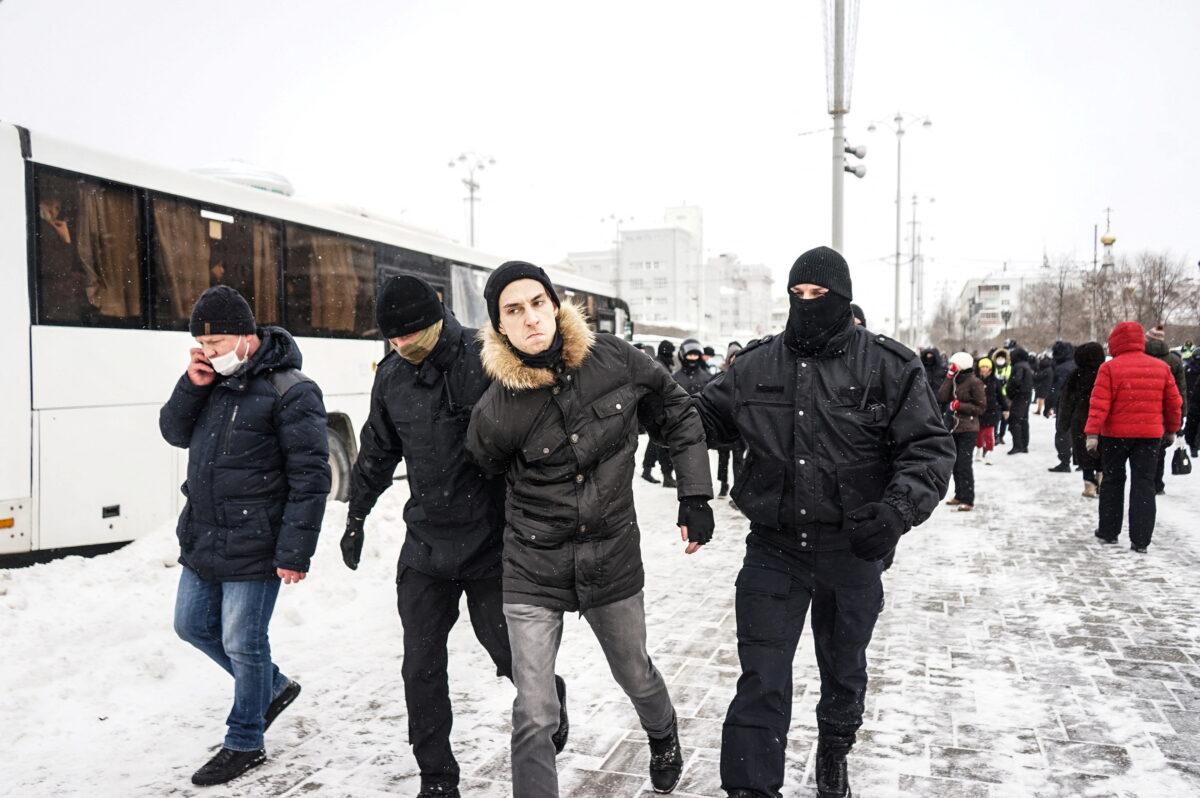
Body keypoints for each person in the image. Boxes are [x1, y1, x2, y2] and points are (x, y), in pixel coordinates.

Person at [694, 247, 954, 798]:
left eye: (819, 296)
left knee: (843, 671)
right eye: (798, 295)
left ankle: (835, 750)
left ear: (844, 298)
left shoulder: (888, 364)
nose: (807, 305)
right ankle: (750, 788)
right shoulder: (757, 364)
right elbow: (700, 419)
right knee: (761, 678)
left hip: (851, 551)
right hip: (774, 549)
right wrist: (648, 402)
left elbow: (929, 449)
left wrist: (897, 511)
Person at [465, 261, 714, 797]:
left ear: (553, 305)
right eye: (514, 311)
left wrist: (694, 493)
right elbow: (484, 475)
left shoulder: (615, 359)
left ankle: (662, 730)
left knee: (635, 674)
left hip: (612, 556)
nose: (530, 318)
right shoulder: (494, 410)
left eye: (537, 303)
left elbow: (677, 409)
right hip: (533, 565)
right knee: (534, 710)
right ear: (500, 326)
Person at [339, 276, 566, 798]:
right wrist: (356, 516)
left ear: (436, 318)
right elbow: (377, 451)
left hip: (491, 544)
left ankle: (549, 697)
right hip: (425, 548)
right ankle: (437, 776)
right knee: (420, 666)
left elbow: (535, 440)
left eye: (411, 334)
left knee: (508, 654)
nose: (401, 345)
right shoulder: (393, 376)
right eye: (392, 338)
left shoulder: (488, 358)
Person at [160, 286, 331, 786]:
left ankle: (245, 740)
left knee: (243, 641)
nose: (209, 353)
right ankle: (272, 688)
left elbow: (310, 477)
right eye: (201, 343)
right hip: (205, 535)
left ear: (248, 336)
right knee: (191, 625)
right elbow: (173, 430)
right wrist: (192, 384)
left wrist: (295, 550)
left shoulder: (293, 390)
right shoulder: (208, 381)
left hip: (258, 541)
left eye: (216, 343)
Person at [1085, 321, 1182, 553]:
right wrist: (1171, 429)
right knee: (1144, 484)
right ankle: (1140, 540)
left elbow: (1099, 404)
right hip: (1149, 436)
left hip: (1115, 436)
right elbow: (1174, 403)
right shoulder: (1160, 368)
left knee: (1112, 481)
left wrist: (1092, 433)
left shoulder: (1109, 368)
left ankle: (1108, 531)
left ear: (1115, 341)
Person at [938, 352, 986, 511]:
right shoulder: (955, 380)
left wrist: (960, 406)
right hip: (954, 426)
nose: (952, 366)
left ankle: (968, 498)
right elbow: (942, 396)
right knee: (955, 463)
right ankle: (959, 494)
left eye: (955, 364)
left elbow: (981, 407)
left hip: (969, 428)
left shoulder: (975, 382)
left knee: (964, 464)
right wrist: (949, 377)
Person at [1057, 342, 1106, 497]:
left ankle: (1089, 484)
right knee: (1102, 451)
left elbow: (1067, 400)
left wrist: (1063, 423)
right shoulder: (1105, 372)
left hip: (1081, 419)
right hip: (1103, 420)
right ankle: (1101, 479)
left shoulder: (1076, 375)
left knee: (1084, 452)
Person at [1145, 325, 1188, 494]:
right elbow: (1181, 390)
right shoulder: (1175, 360)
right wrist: (1181, 414)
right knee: (1159, 449)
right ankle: (1157, 483)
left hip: (1145, 409)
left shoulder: (1141, 357)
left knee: (1142, 450)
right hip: (1165, 411)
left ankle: (1144, 481)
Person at [641, 340, 678, 486]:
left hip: (654, 409)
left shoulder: (659, 363)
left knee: (654, 442)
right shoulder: (660, 365)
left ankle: (647, 470)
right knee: (662, 445)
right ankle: (667, 476)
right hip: (657, 409)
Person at [715, 342, 746, 499]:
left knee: (739, 459)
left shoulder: (746, 374)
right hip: (724, 423)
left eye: (737, 355)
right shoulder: (721, 374)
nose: (734, 359)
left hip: (740, 426)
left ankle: (738, 488)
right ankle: (723, 484)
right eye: (732, 356)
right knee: (723, 458)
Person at [975, 356, 1007, 465]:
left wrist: (1005, 408)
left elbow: (1001, 396)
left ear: (990, 368)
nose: (984, 369)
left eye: (986, 367)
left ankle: (989, 452)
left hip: (992, 411)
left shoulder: (995, 381)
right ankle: (979, 450)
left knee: (989, 434)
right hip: (978, 411)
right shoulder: (975, 380)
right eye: (982, 366)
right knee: (978, 434)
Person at [1005, 346, 1035, 454]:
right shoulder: (1026, 365)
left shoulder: (1018, 366)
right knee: (1024, 420)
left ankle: (1018, 445)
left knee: (1015, 420)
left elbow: (1016, 381)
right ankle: (1024, 444)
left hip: (1020, 396)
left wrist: (1010, 392)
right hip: (1026, 395)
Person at [991, 347, 1013, 444]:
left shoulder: (1009, 368)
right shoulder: (993, 368)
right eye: (998, 358)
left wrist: (1003, 382)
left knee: (1005, 417)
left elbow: (1010, 380)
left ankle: (1001, 436)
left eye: (1002, 358)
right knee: (995, 416)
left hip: (1006, 395)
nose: (1000, 360)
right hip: (995, 395)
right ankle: (994, 435)